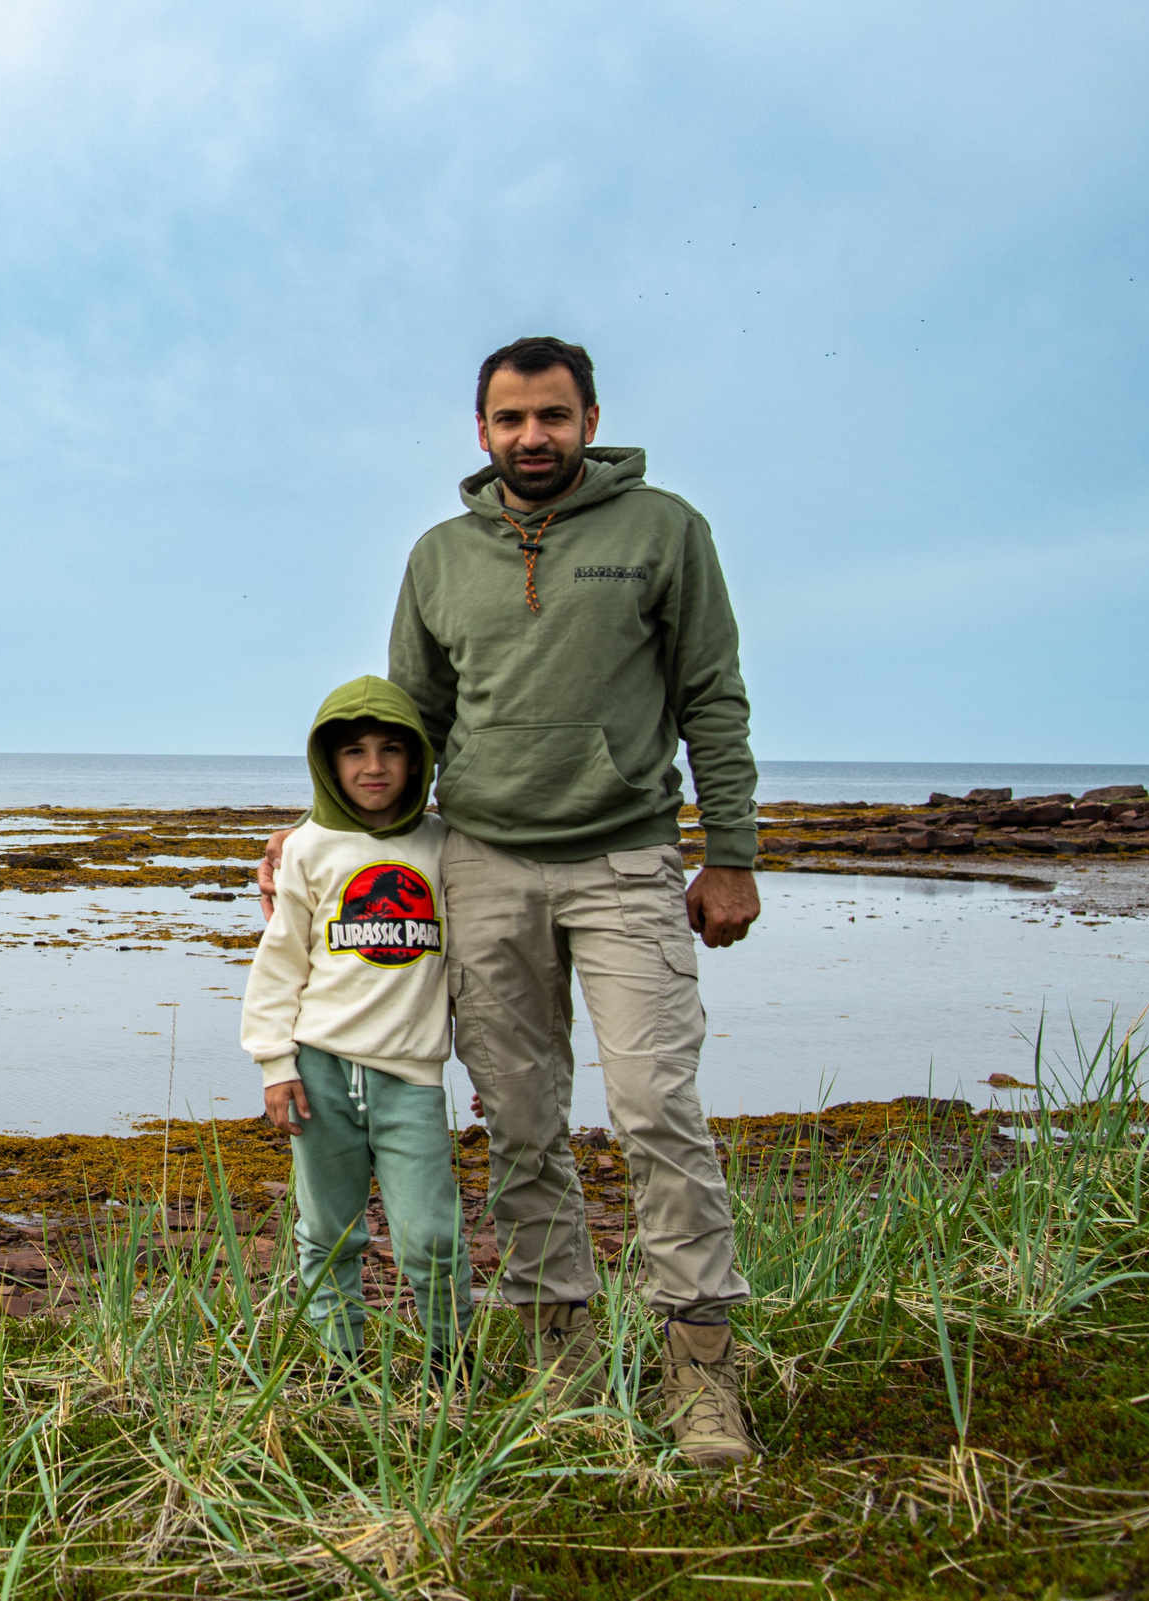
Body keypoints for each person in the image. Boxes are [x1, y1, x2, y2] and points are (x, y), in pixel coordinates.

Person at [258, 335, 762, 1468]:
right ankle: (559, 1345)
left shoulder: (663, 531)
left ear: (590, 417)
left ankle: (702, 1372)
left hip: (628, 858)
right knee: (521, 1123)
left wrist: (728, 850)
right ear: (479, 431)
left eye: (552, 415)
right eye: (508, 420)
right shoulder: (439, 555)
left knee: (656, 1111)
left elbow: (711, 694)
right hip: (480, 865)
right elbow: (401, 727)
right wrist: (312, 837)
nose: (531, 436)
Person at [242, 676, 472, 1383]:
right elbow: (280, 961)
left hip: (411, 1077)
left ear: (416, 760)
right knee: (329, 1229)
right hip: (320, 1071)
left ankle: (451, 1365)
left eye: (392, 749)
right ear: (328, 763)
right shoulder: (308, 848)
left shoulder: (444, 846)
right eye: (354, 752)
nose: (373, 766)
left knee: (431, 1234)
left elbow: (476, 966)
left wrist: (491, 1067)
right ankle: (342, 1366)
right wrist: (274, 1063)